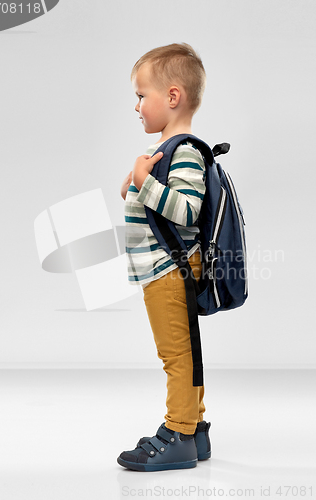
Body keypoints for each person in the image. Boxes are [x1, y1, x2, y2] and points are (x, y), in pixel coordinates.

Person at [118, 43, 211, 472]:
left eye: (141, 95)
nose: (136, 105)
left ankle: (179, 433)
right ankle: (196, 429)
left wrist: (145, 182)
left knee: (177, 357)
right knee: (184, 352)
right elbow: (158, 202)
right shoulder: (167, 151)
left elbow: (185, 210)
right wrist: (136, 184)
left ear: (172, 97)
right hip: (160, 272)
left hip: (170, 270)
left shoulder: (186, 151)